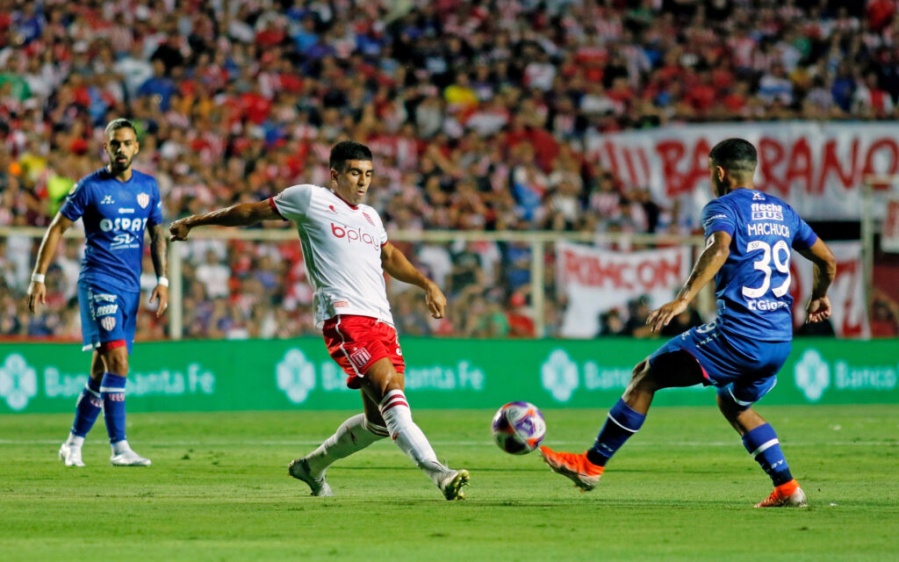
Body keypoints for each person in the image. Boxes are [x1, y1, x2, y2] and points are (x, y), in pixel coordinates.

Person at [539, 138, 837, 508]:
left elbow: (719, 248)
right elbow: (827, 261)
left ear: (719, 172)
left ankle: (591, 464)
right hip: (779, 340)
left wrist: (683, 298)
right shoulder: (783, 211)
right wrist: (820, 296)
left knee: (646, 375)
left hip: (738, 335)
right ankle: (788, 488)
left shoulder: (722, 206)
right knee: (734, 404)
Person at [169, 140, 470, 500]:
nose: (363, 182)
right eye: (355, 173)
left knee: (378, 422)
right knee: (392, 391)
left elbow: (388, 255)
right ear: (335, 174)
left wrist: (427, 283)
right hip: (344, 317)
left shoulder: (371, 217)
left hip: (382, 321)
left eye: (369, 175)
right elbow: (251, 212)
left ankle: (310, 467)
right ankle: (440, 474)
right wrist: (195, 221)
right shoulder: (310, 198)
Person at [27, 118, 169, 467]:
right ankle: (119, 447)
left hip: (130, 288)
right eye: (114, 143)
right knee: (118, 361)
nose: (121, 149)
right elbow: (57, 227)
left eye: (127, 143)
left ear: (137, 147)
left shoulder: (149, 187)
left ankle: (72, 444)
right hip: (98, 282)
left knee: (100, 371)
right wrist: (38, 275)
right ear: (105, 147)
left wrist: (163, 280)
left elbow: (157, 235)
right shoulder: (90, 187)